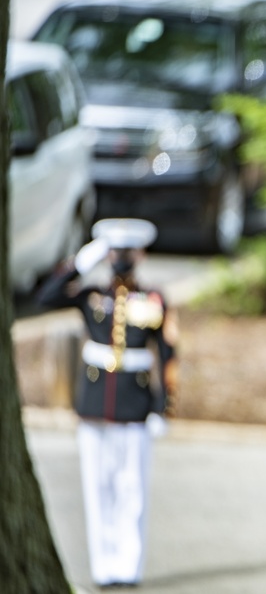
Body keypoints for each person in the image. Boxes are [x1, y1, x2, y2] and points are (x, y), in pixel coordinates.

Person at [37, 218, 176, 591]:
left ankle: (128, 566)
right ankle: (103, 566)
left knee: (132, 489)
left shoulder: (153, 300)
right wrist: (81, 262)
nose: (120, 258)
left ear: (140, 254)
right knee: (98, 488)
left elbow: (168, 354)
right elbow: (44, 296)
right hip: (95, 404)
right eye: (114, 251)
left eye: (127, 251)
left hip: (135, 405)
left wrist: (164, 407)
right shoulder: (91, 294)